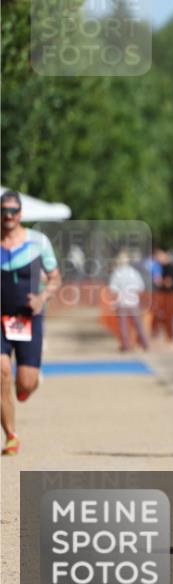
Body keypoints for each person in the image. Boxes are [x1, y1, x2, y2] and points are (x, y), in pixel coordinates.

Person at [1, 190, 61, 456]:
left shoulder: (38, 242)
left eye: (13, 211)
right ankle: (11, 436)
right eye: (4, 211)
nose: (9, 216)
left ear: (21, 214)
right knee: (1, 372)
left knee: (25, 383)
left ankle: (29, 385)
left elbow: (56, 278)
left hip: (28, 317)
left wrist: (42, 297)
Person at [108, 250, 149, 352]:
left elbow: (113, 289)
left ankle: (125, 345)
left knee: (123, 325)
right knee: (138, 324)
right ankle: (145, 344)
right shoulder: (134, 272)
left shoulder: (117, 273)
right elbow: (141, 287)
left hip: (121, 302)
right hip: (133, 301)